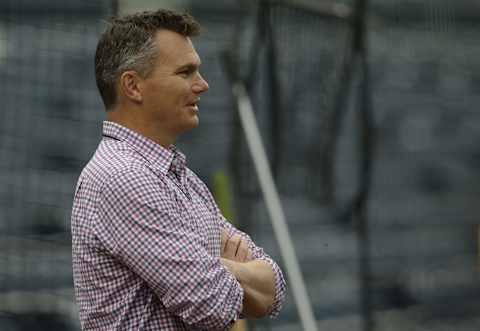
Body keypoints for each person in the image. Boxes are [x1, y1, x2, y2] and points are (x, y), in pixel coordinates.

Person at [70, 9, 286, 330]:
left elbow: (276, 287)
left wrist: (211, 265)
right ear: (133, 86)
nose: (203, 85)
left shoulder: (180, 177)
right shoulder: (123, 177)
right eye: (185, 72)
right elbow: (212, 304)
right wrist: (230, 269)